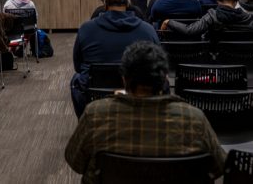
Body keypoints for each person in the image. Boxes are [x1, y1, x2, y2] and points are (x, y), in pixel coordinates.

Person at [65, 42, 226, 184]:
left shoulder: (96, 114)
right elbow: (219, 166)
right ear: (164, 80)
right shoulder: (194, 118)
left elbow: (75, 162)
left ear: (124, 79)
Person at [71, 0, 159, 118]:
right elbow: (158, 64)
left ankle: (86, 122)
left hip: (97, 92)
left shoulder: (86, 29)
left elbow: (78, 66)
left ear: (105, 4)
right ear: (128, 2)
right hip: (138, 91)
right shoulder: (147, 30)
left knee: (76, 80)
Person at [161, 0, 253, 41]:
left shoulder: (212, 16)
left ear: (218, 1)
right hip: (244, 64)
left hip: (216, 62)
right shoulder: (250, 18)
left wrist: (169, 21)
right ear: (236, 1)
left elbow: (189, 30)